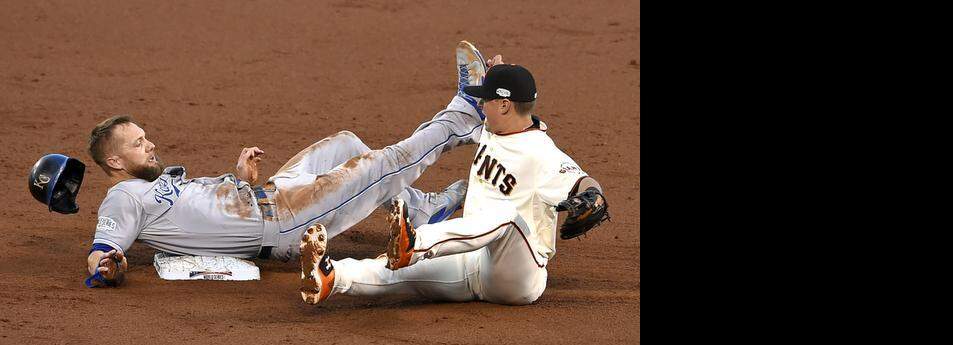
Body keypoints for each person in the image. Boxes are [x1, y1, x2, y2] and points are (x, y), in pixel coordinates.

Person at [84, 41, 494, 288]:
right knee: (381, 164)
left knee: (345, 143)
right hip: (284, 223)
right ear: (115, 160)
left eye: (146, 137)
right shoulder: (123, 196)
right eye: (139, 144)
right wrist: (107, 266)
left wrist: (237, 179)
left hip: (273, 193)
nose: (151, 144)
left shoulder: (153, 184)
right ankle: (466, 109)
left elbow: (199, 211)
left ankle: (422, 210)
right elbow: (103, 251)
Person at [298, 60, 611, 306]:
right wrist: (496, 74)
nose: (481, 106)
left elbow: (581, 180)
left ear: (504, 106)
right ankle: (329, 278)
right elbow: (507, 94)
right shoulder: (495, 127)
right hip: (472, 262)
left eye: (486, 100)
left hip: (516, 275)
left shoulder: (542, 153)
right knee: (397, 270)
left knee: (507, 216)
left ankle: (414, 244)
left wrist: (592, 193)